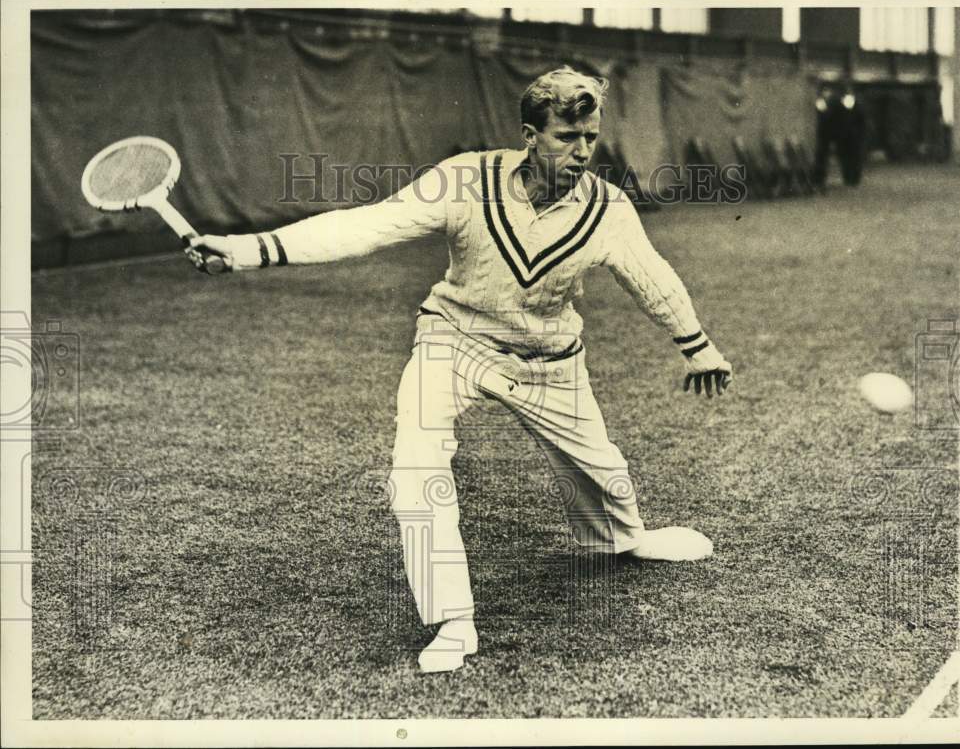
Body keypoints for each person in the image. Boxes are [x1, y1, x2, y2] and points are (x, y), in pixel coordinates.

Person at [186, 66, 734, 674]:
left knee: (599, 466)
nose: (581, 153)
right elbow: (369, 225)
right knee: (415, 464)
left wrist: (697, 345)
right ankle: (452, 616)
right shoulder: (465, 179)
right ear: (530, 134)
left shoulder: (608, 208)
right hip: (454, 341)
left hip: (551, 359)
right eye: (564, 137)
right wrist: (247, 249)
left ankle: (619, 538)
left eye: (590, 138)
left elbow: (651, 277)